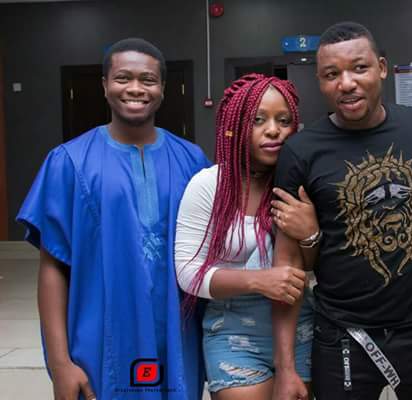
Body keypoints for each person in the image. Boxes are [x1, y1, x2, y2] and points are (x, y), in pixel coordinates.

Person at [271, 21, 412, 400]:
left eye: (359, 68)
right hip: (344, 334)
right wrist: (286, 367)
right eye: (331, 74)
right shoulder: (301, 151)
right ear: (319, 81)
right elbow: (287, 266)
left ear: (382, 68)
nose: (346, 83)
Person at [17, 38, 211, 399]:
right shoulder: (69, 162)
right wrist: (60, 363)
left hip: (177, 334)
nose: (136, 88)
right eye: (123, 78)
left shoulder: (192, 160)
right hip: (100, 340)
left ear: (163, 88)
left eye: (148, 79)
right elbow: (53, 268)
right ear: (105, 85)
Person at [174, 73, 319, 400]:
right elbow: (188, 272)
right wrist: (259, 281)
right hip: (232, 333)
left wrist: (310, 233)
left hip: (299, 330)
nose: (273, 130)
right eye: (258, 120)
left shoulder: (302, 184)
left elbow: (316, 266)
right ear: (236, 126)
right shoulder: (208, 186)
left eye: (284, 120)